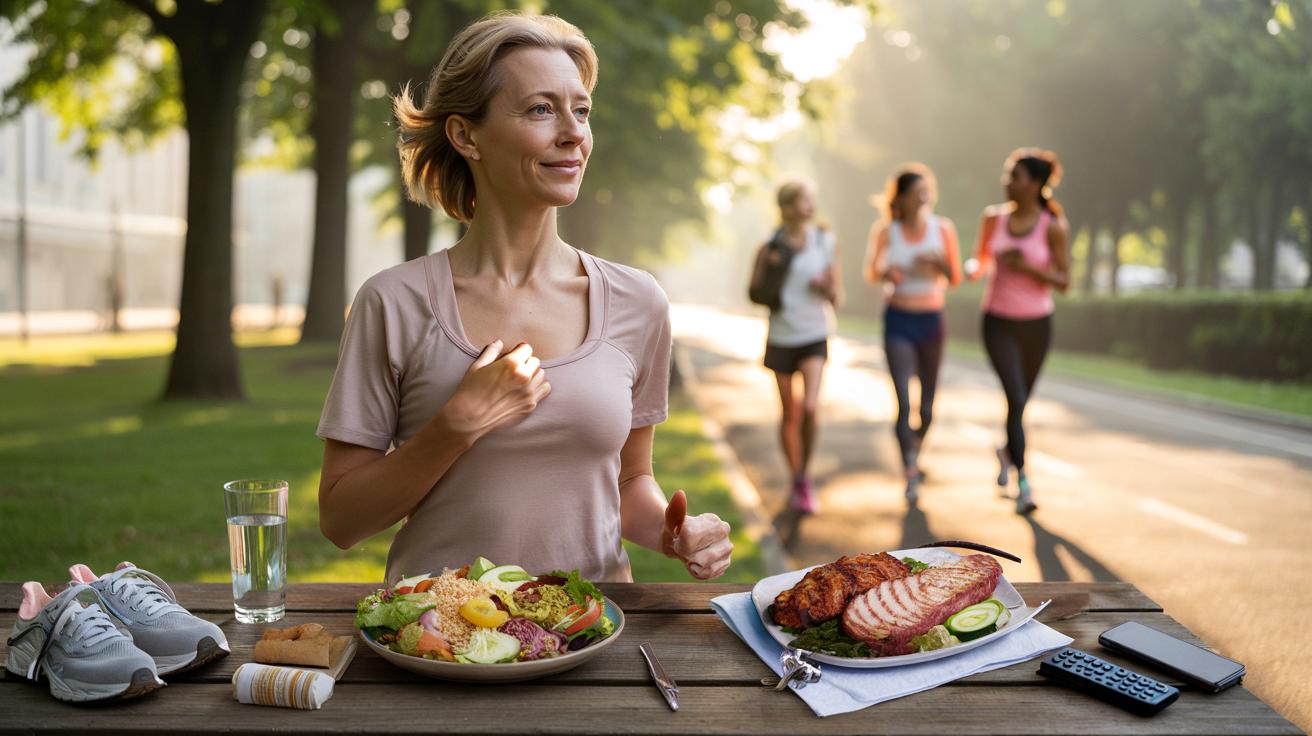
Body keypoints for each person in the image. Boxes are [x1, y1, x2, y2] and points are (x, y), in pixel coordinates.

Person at [314, 12, 732, 583]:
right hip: (440, 645)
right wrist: (455, 426)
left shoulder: (639, 301)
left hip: (591, 637)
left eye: (580, 110)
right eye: (541, 109)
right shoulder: (393, 303)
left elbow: (630, 481)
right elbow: (341, 519)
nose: (574, 133)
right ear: (466, 136)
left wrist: (671, 531)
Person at [967, 148, 1070, 514]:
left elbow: (1065, 281)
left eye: (1016, 176)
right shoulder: (993, 219)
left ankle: (1007, 451)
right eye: (1007, 175)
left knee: (1021, 401)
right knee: (1015, 396)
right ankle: (1024, 482)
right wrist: (969, 269)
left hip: (1036, 325)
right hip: (997, 321)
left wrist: (1028, 267)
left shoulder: (1052, 226)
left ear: (1036, 184)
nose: (1007, 182)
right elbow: (979, 261)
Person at [863, 163, 961, 504]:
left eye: (927, 190)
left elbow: (955, 276)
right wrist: (888, 270)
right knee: (904, 402)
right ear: (901, 198)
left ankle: (914, 451)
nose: (924, 197)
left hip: (931, 321)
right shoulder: (887, 231)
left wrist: (939, 264)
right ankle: (909, 469)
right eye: (917, 191)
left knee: (928, 407)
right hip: (898, 320)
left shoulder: (942, 228)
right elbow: (873, 272)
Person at [749, 181, 841, 514]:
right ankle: (797, 479)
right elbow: (754, 292)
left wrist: (825, 285)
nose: (810, 207)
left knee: (811, 406)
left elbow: (837, 295)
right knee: (790, 411)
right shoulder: (769, 246)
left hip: (815, 332)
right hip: (782, 337)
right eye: (803, 201)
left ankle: (804, 475)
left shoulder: (824, 241)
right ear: (786, 208)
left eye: (811, 200)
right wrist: (775, 266)